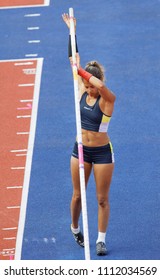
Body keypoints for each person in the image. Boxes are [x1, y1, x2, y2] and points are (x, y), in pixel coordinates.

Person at [62, 13, 116, 256]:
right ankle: (74, 228)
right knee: (77, 196)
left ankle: (101, 239)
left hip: (102, 152)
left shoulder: (107, 99)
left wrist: (82, 72)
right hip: (80, 150)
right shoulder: (81, 88)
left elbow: (103, 87)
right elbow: (73, 58)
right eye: (86, 85)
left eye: (91, 84)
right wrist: (71, 32)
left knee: (102, 199)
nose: (88, 88)